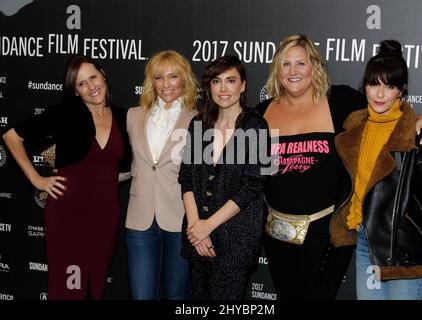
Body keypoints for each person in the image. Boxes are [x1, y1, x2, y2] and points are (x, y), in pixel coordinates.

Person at [256, 34, 422, 300]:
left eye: (301, 63)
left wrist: (419, 119)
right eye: (286, 64)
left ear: (314, 66)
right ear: (277, 69)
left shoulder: (340, 101)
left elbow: (385, 107)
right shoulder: (260, 112)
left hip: (327, 238)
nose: (293, 71)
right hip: (276, 237)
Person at [2, 55, 132, 299]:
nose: (91, 86)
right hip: (68, 214)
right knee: (69, 288)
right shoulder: (65, 113)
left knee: (94, 288)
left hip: (105, 215)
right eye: (81, 83)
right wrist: (36, 179)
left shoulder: (124, 117)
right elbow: (12, 136)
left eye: (93, 77)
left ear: (103, 75)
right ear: (75, 90)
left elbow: (125, 168)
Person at [332, 40, 422, 300]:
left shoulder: (416, 135)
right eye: (374, 84)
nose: (380, 94)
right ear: (364, 85)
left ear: (401, 90)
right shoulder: (353, 129)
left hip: (407, 253)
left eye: (390, 86)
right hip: (367, 243)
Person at [178, 55, 270, 299]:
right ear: (209, 87)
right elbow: (186, 177)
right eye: (216, 82)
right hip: (197, 237)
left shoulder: (255, 126)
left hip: (235, 240)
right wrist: (195, 228)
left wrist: (207, 226)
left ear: (243, 85)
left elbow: (253, 186)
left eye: (231, 80)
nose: (223, 89)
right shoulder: (199, 124)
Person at [125, 50, 197, 300]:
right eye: (158, 77)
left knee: (178, 295)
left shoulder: (198, 120)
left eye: (173, 76)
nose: (165, 84)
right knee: (142, 296)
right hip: (139, 218)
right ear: (150, 81)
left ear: (184, 80)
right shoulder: (133, 116)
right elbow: (123, 161)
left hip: (180, 218)